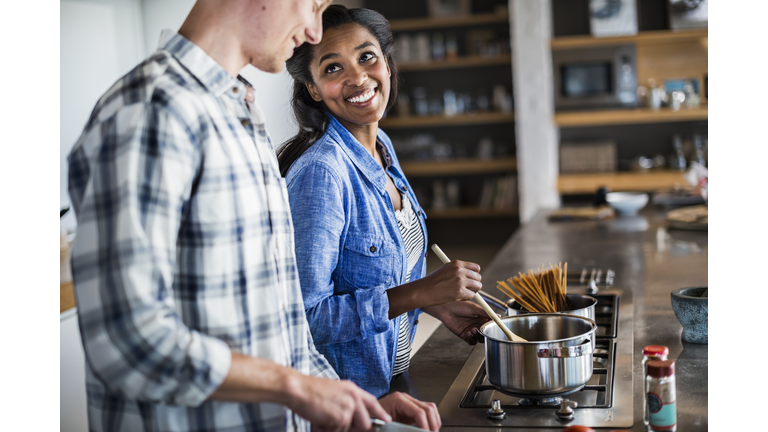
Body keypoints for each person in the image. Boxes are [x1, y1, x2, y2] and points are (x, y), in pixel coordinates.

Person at [66, 1, 441, 431]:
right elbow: (127, 340)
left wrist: (359, 408)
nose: (315, 30)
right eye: (313, 4)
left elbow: (284, 329)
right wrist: (296, 389)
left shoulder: (239, 114)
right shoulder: (151, 111)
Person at [278, 5, 491, 398]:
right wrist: (419, 293)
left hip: (391, 380)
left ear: (387, 65)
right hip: (351, 400)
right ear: (312, 88)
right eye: (332, 68)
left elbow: (380, 277)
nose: (358, 77)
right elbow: (306, 319)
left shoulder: (382, 147)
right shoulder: (321, 174)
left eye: (366, 57)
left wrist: (437, 305)